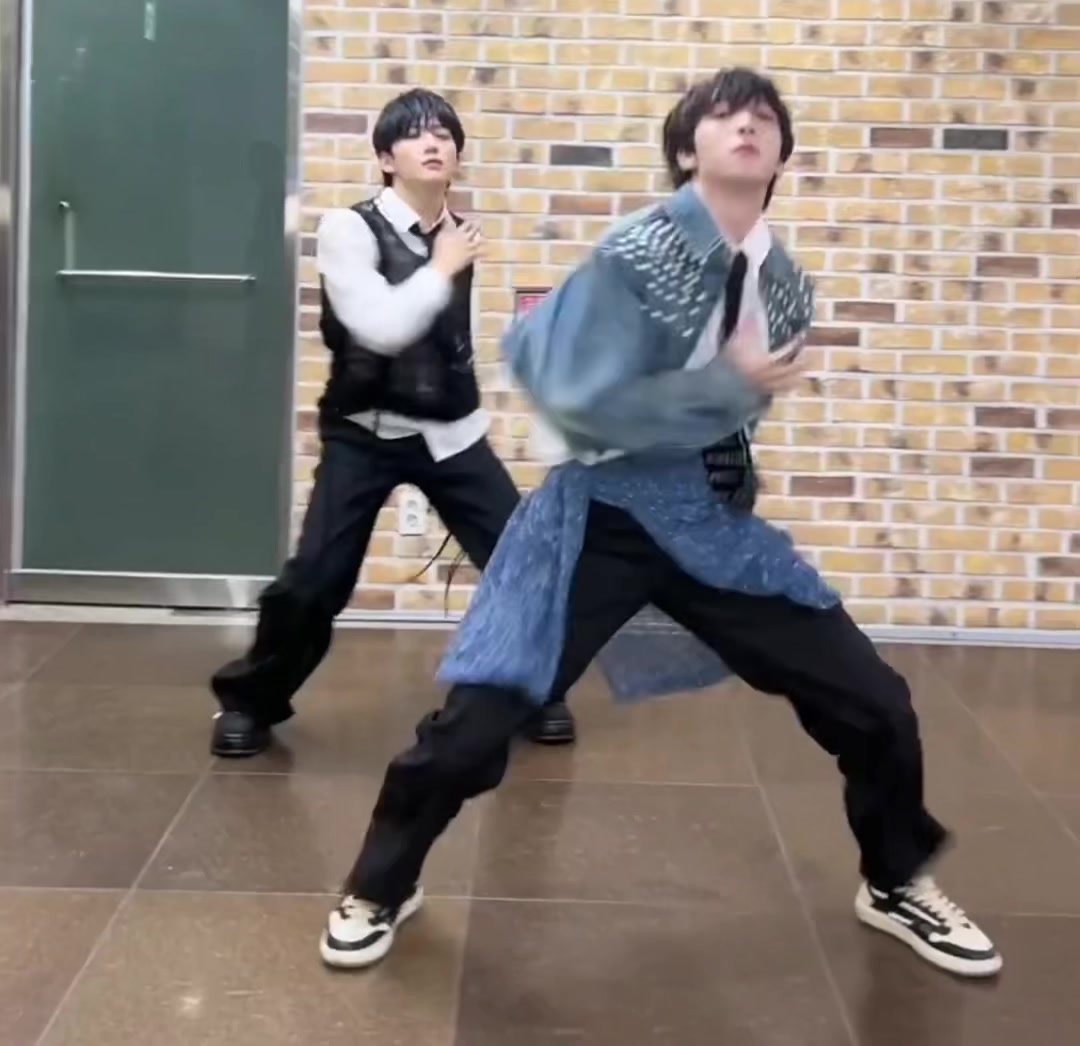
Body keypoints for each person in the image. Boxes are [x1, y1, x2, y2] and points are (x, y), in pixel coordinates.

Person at [318, 68, 1001, 981]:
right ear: (686, 150)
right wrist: (712, 388)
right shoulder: (634, 256)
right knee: (481, 720)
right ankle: (379, 885)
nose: (748, 125)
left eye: (764, 117)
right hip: (597, 520)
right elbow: (561, 391)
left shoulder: (783, 283)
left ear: (782, 155)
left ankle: (895, 880)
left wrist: (721, 432)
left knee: (874, 701)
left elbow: (728, 420)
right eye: (724, 115)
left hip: (707, 525)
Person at [209, 89, 576, 758]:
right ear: (385, 157)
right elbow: (380, 327)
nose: (433, 143)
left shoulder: (457, 235)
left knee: (523, 562)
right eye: (414, 134)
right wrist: (442, 266)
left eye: (445, 134)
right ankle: (250, 703)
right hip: (365, 433)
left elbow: (450, 340)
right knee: (313, 580)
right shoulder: (348, 230)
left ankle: (530, 690)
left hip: (451, 433)